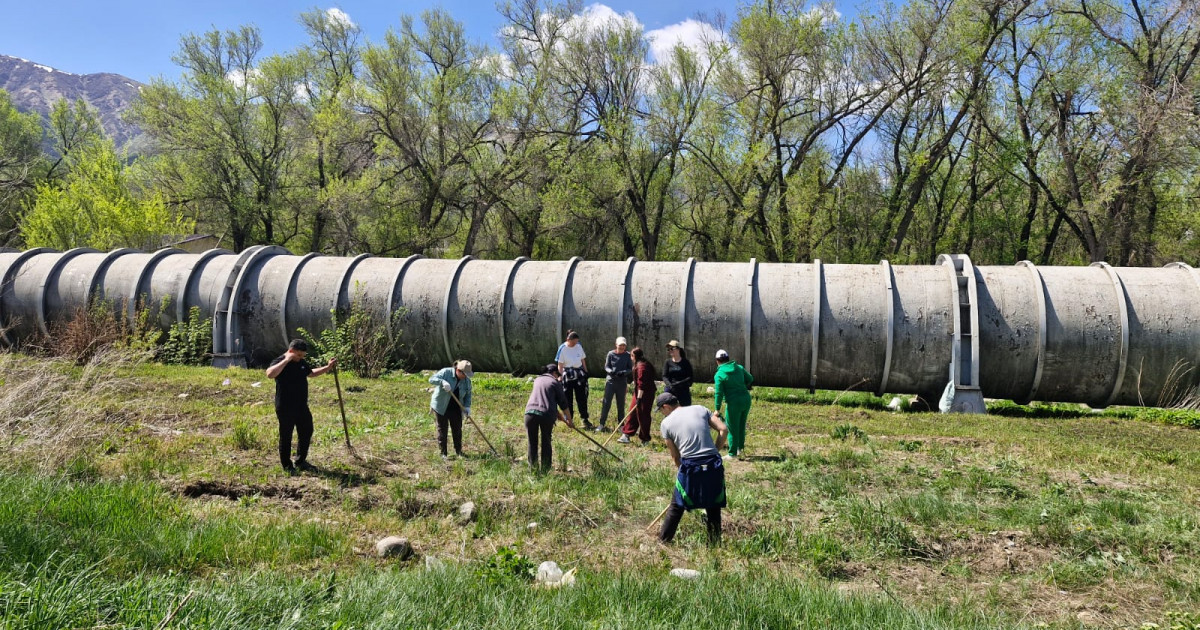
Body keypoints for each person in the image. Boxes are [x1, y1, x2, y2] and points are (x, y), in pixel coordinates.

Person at [656, 392, 728, 545]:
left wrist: (682, 470)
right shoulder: (700, 409)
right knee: (713, 504)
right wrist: (715, 451)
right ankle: (714, 544)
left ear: (665, 407)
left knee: (677, 505)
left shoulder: (666, 423)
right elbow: (723, 429)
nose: (662, 414)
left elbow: (675, 456)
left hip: (690, 466)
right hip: (713, 464)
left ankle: (663, 541)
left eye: (661, 411)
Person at [265, 339, 337, 474]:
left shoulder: (301, 363)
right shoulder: (280, 361)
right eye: (298, 355)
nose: (300, 359)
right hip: (285, 406)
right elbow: (270, 374)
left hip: (301, 406)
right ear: (291, 351)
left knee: (307, 431)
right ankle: (287, 465)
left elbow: (311, 373)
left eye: (303, 356)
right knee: (286, 435)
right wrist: (286, 360)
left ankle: (301, 461)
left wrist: (327, 368)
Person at [524, 363, 573, 472]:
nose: (558, 377)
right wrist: (570, 421)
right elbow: (563, 403)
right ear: (554, 373)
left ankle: (533, 470)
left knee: (532, 442)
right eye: (557, 375)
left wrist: (559, 415)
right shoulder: (555, 382)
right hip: (545, 415)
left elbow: (545, 399)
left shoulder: (537, 380)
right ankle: (545, 470)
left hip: (529, 414)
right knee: (546, 441)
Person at [713, 349, 754, 459]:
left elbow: (719, 393)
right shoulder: (739, 368)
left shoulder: (719, 374)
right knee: (741, 425)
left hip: (734, 403)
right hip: (746, 399)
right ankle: (740, 449)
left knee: (731, 427)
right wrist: (741, 385)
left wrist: (717, 409)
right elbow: (750, 378)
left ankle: (732, 453)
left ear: (717, 361)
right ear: (728, 358)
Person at [429, 360, 474, 459]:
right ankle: (443, 453)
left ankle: (459, 452)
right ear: (458, 370)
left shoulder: (467, 381)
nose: (465, 377)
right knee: (442, 430)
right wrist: (442, 381)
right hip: (441, 406)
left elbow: (468, 395)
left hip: (456, 408)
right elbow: (431, 379)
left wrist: (467, 407)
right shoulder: (446, 373)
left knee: (457, 430)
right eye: (464, 374)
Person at [556, 330, 592, 430]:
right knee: (567, 398)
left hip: (579, 374)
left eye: (576, 341)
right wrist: (560, 375)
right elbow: (560, 364)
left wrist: (586, 372)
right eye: (574, 342)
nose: (575, 343)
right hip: (567, 375)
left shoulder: (579, 346)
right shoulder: (562, 348)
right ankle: (569, 418)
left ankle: (585, 419)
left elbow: (582, 360)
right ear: (569, 339)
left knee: (582, 398)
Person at [619, 346, 656, 445]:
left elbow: (642, 384)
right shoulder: (639, 364)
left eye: (631, 355)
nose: (630, 357)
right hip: (639, 392)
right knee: (632, 413)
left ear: (634, 356)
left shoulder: (642, 367)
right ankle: (626, 435)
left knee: (643, 415)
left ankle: (645, 439)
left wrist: (639, 398)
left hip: (645, 394)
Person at [597, 336, 632, 433]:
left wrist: (624, 372)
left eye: (624, 345)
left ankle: (621, 425)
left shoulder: (627, 355)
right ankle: (601, 424)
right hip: (611, 381)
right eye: (620, 345)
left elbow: (630, 368)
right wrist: (610, 371)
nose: (622, 347)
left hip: (621, 382)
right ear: (616, 345)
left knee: (620, 404)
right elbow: (606, 366)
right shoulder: (611, 354)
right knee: (606, 403)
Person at [661, 340, 694, 407]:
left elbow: (690, 377)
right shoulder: (667, 362)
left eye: (672, 348)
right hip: (671, 390)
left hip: (683, 390)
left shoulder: (685, 362)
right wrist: (670, 385)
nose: (670, 351)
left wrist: (680, 384)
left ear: (678, 349)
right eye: (668, 349)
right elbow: (664, 376)